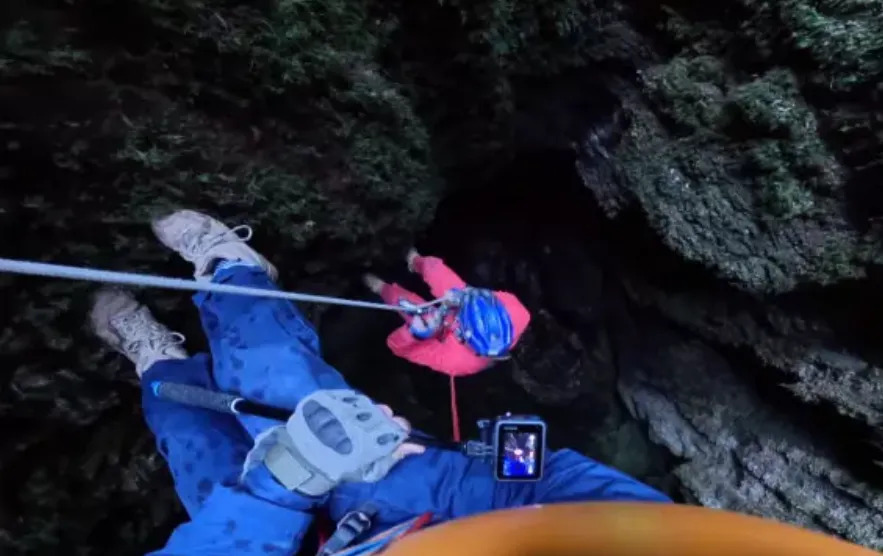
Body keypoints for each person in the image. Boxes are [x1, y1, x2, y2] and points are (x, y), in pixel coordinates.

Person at [90, 209, 670, 555]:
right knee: (275, 378)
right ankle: (231, 269)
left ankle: (160, 362)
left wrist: (278, 489)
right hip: (426, 496)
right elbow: (570, 486)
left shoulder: (463, 358)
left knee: (188, 432)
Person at [363, 251, 531, 378]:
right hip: (467, 299)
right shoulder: (518, 312)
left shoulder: (458, 361)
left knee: (413, 310)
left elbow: (397, 346)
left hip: (445, 330)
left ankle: (379, 287)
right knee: (434, 269)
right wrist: (465, 295)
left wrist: (414, 334)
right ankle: (414, 260)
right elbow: (486, 296)